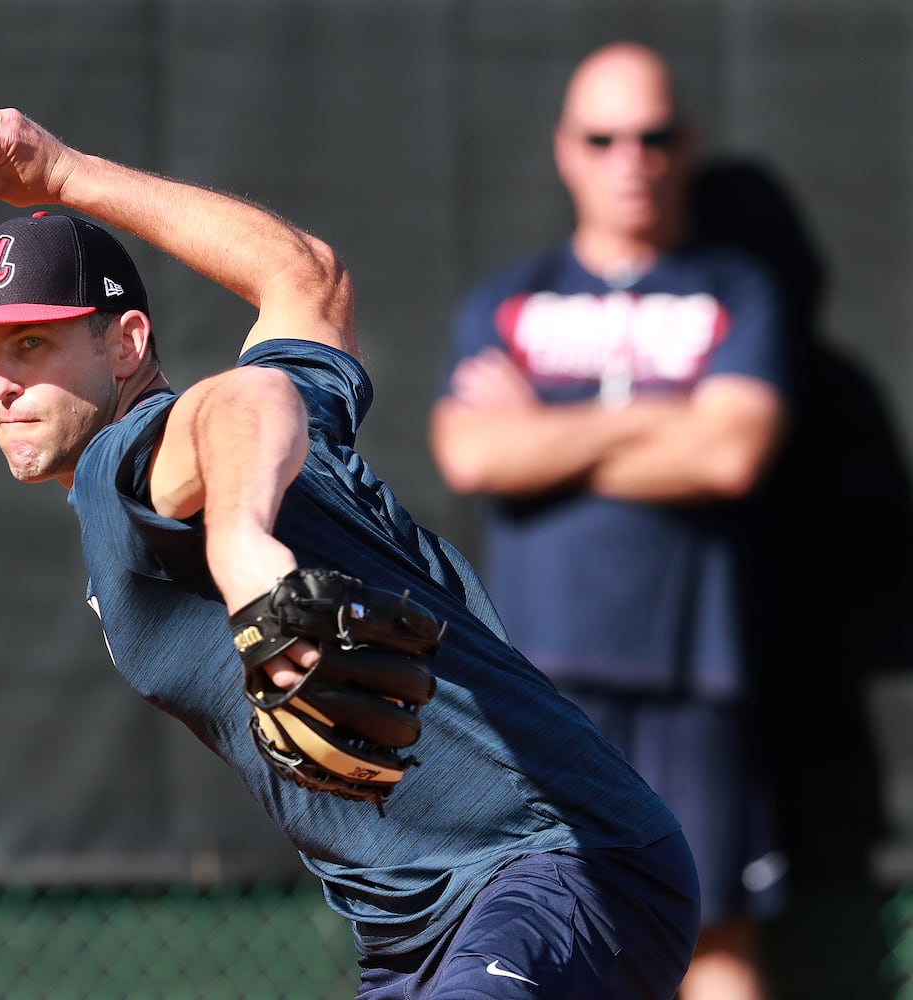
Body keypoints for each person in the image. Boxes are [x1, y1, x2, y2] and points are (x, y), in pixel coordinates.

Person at [0, 98, 700, 999]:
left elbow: (238, 405)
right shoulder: (290, 431)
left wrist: (243, 548)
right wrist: (57, 173)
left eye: (31, 344)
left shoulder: (121, 464)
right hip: (423, 927)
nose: (2, 384)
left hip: (542, 865)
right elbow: (305, 277)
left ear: (126, 342)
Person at [429, 44, 792, 1000]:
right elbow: (472, 454)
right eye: (603, 137)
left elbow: (729, 454)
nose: (629, 157)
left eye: (653, 135)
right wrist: (660, 416)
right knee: (536, 927)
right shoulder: (507, 302)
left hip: (693, 671)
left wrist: (545, 428)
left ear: (686, 146)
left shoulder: (735, 291)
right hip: (534, 682)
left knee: (710, 933)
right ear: (565, 150)